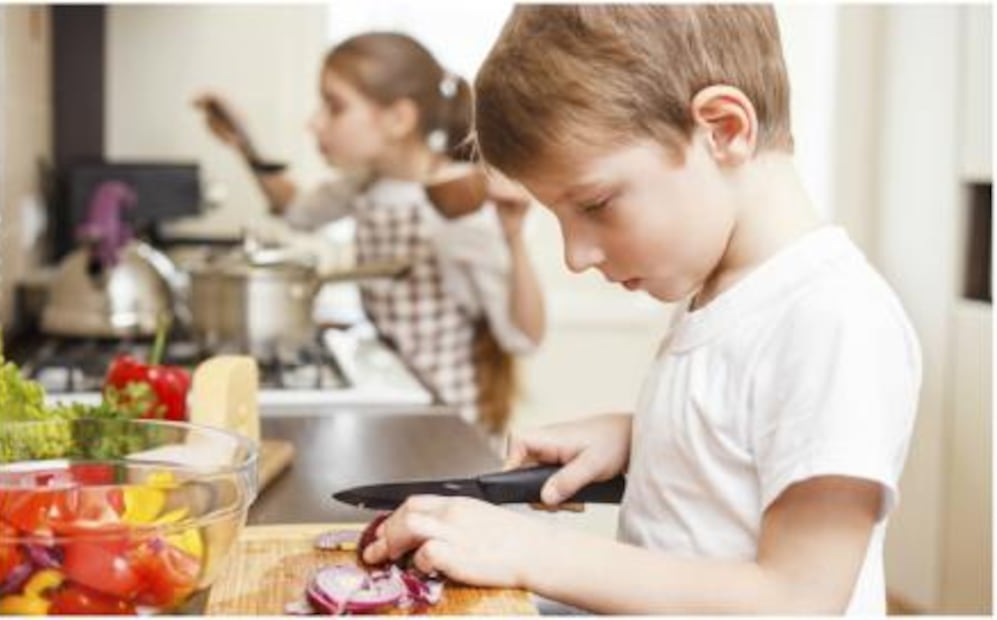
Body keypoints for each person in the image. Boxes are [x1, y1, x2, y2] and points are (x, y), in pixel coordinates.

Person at [359, 5, 922, 614]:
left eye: (595, 204)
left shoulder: (833, 320)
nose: (576, 256)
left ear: (722, 130)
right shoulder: (728, 291)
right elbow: (749, 439)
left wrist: (532, 551)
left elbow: (795, 601)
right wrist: (646, 437)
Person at [194, 32, 545, 433]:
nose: (314, 123)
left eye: (334, 106)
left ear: (398, 119)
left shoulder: (454, 203)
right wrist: (245, 145)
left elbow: (522, 337)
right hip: (394, 408)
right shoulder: (364, 185)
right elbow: (298, 211)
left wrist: (513, 237)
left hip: (448, 426)